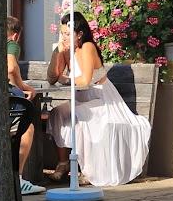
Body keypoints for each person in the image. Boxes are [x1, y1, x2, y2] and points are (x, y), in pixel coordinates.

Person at [45, 11, 152, 187]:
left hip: (101, 99)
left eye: (66, 34)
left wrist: (65, 79)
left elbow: (86, 81)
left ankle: (88, 170)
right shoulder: (65, 50)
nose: (63, 37)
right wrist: (58, 51)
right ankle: (63, 163)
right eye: (61, 33)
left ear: (79, 34)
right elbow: (51, 78)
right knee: (57, 113)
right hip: (81, 99)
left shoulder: (87, 47)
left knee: (80, 117)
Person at [6, 16, 45, 196]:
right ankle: (18, 178)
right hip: (9, 97)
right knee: (27, 129)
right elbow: (11, 67)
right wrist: (23, 87)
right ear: (15, 35)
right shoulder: (11, 44)